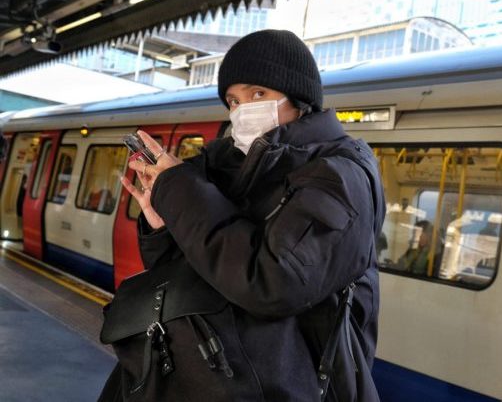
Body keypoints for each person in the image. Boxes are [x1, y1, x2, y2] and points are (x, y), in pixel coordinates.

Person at [99, 30, 385, 401]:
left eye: (258, 94)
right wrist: (166, 226)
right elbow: (187, 276)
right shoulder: (227, 163)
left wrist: (183, 195)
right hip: (211, 375)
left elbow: (272, 283)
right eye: (233, 100)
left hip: (294, 385)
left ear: (300, 100)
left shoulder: (342, 177)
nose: (242, 111)